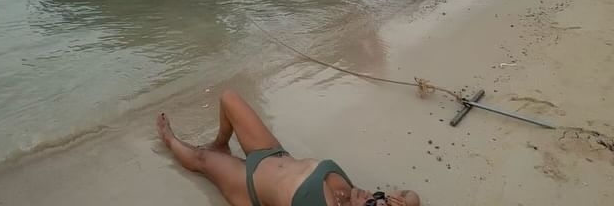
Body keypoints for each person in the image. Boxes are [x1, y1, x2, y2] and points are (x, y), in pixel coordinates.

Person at [156, 89, 420, 206]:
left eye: (372, 205)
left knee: (201, 159)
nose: (370, 196)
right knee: (229, 98)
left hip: (250, 188)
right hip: (272, 152)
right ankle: (222, 144)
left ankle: (168, 138)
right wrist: (406, 202)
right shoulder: (354, 194)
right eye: (380, 197)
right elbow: (412, 195)